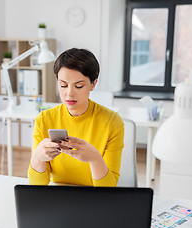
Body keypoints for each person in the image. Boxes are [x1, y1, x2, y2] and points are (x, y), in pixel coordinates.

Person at [28, 48, 124, 186]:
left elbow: (108, 189)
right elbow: (38, 186)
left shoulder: (112, 122)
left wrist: (95, 159)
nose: (69, 94)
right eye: (63, 85)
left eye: (78, 86)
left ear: (93, 84)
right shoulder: (44, 119)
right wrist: (37, 158)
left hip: (93, 198)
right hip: (58, 197)